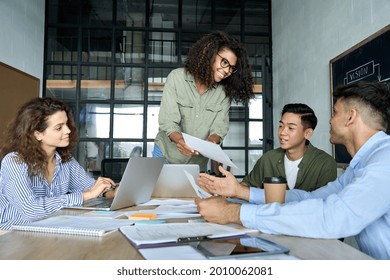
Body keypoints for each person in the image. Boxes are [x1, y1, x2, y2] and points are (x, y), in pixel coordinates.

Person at [195, 81, 390, 260]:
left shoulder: (385, 160)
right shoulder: (362, 165)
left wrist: (235, 213)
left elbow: (332, 217)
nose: (330, 121)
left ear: (350, 117)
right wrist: (240, 192)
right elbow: (311, 199)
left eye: (335, 112)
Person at [0, 97, 118, 230]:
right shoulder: (14, 161)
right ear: (38, 134)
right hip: (10, 235)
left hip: (47, 232)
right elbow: (30, 210)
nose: (68, 130)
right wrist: (85, 195)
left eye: (66, 124)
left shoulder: (66, 160)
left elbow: (91, 187)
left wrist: (111, 191)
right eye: (59, 128)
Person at [153, 31, 254, 170]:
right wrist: (181, 141)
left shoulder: (224, 93)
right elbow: (168, 121)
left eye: (231, 67)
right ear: (210, 54)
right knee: (160, 192)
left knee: (194, 193)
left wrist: (210, 142)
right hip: (166, 155)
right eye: (224, 62)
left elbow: (220, 128)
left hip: (197, 163)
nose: (227, 71)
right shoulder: (176, 78)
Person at [243, 103, 337, 191]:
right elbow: (245, 186)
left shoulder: (325, 163)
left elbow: (325, 203)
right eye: (280, 126)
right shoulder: (268, 159)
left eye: (291, 128)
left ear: (307, 133)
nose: (282, 132)